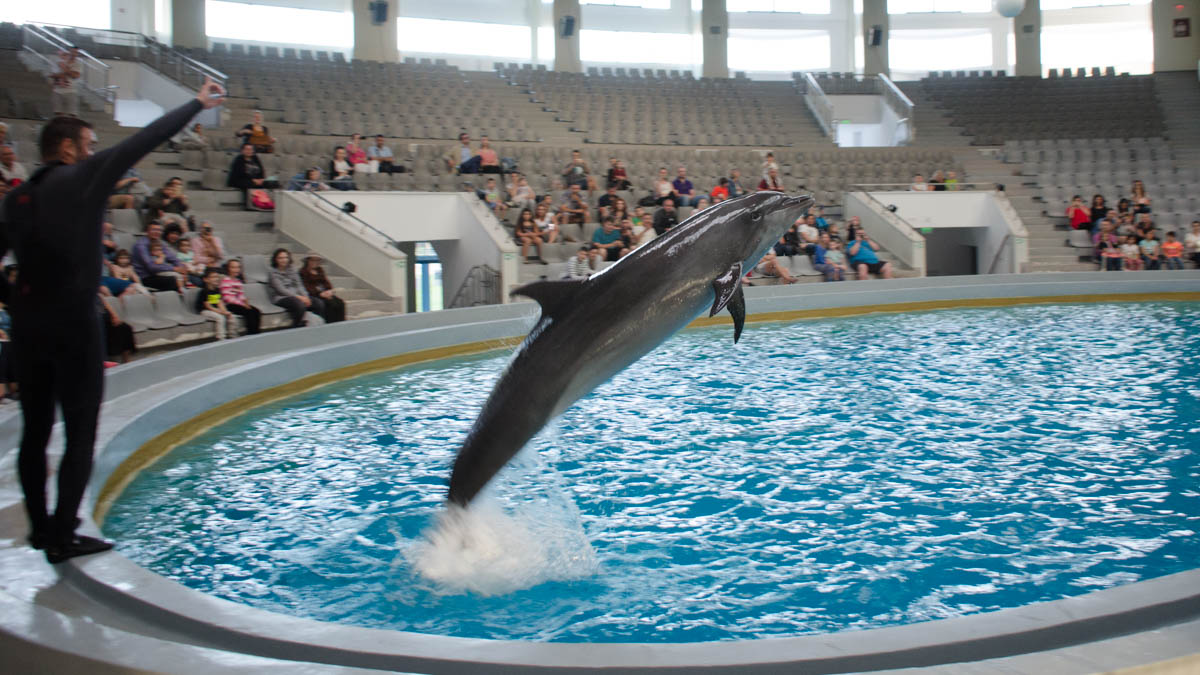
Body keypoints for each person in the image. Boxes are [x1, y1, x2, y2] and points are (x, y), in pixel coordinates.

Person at [0, 76, 224, 564]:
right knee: (80, 430)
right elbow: (145, 140)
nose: (93, 152)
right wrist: (197, 103)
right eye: (87, 145)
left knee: (34, 431)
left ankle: (40, 529)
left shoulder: (15, 199)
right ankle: (63, 533)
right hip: (72, 322)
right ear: (66, 147)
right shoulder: (80, 180)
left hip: (28, 324)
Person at [131, 222, 188, 292]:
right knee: (172, 280)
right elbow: (152, 267)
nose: (157, 232)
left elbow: (172, 258)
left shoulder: (159, 242)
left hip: (160, 273)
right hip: (146, 277)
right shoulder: (141, 246)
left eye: (159, 230)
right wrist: (174, 268)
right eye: (154, 229)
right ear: (147, 231)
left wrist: (181, 268)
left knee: (190, 277)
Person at [268, 248, 316, 328]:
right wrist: (300, 297)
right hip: (282, 297)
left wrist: (306, 297)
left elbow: (299, 285)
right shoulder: (272, 272)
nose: (284, 260)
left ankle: (316, 328)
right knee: (299, 305)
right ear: (275, 259)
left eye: (286, 257)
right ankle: (295, 328)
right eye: (280, 258)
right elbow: (281, 290)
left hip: (297, 296)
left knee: (318, 303)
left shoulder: (292, 269)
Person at [219, 259, 261, 335]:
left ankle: (257, 333)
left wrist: (245, 301)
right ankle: (251, 334)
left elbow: (240, 295)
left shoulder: (238, 281)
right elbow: (227, 298)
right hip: (229, 305)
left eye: (238, 267)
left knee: (256, 311)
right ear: (228, 268)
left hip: (239, 304)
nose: (236, 270)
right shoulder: (225, 280)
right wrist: (242, 304)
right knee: (249, 312)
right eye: (233, 267)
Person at [299, 254, 345, 323]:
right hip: (313, 294)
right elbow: (306, 286)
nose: (315, 262)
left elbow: (326, 283)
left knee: (340, 302)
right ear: (307, 260)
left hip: (325, 293)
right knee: (329, 304)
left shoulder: (320, 270)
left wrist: (329, 291)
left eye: (317, 260)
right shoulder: (303, 272)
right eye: (312, 260)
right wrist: (320, 294)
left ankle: (340, 324)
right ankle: (329, 324)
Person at [195, 266, 236, 339]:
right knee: (220, 318)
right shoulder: (204, 291)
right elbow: (208, 306)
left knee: (231, 316)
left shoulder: (217, 290)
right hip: (205, 311)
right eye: (213, 277)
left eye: (217, 277)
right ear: (206, 279)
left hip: (214, 309)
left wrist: (225, 311)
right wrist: (220, 312)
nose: (216, 279)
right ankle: (221, 338)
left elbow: (219, 303)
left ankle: (232, 336)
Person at [100, 294, 136, 363]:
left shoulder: (98, 295)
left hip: (107, 319)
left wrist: (114, 316)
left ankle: (126, 359)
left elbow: (106, 305)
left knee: (125, 327)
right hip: (96, 322)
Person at [49, 48, 81, 116]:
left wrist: (65, 70)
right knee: (57, 112)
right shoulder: (57, 63)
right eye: (72, 52)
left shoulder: (77, 64)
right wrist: (67, 72)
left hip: (71, 91)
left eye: (76, 53)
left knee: (72, 113)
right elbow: (53, 75)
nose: (74, 54)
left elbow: (75, 76)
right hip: (57, 90)